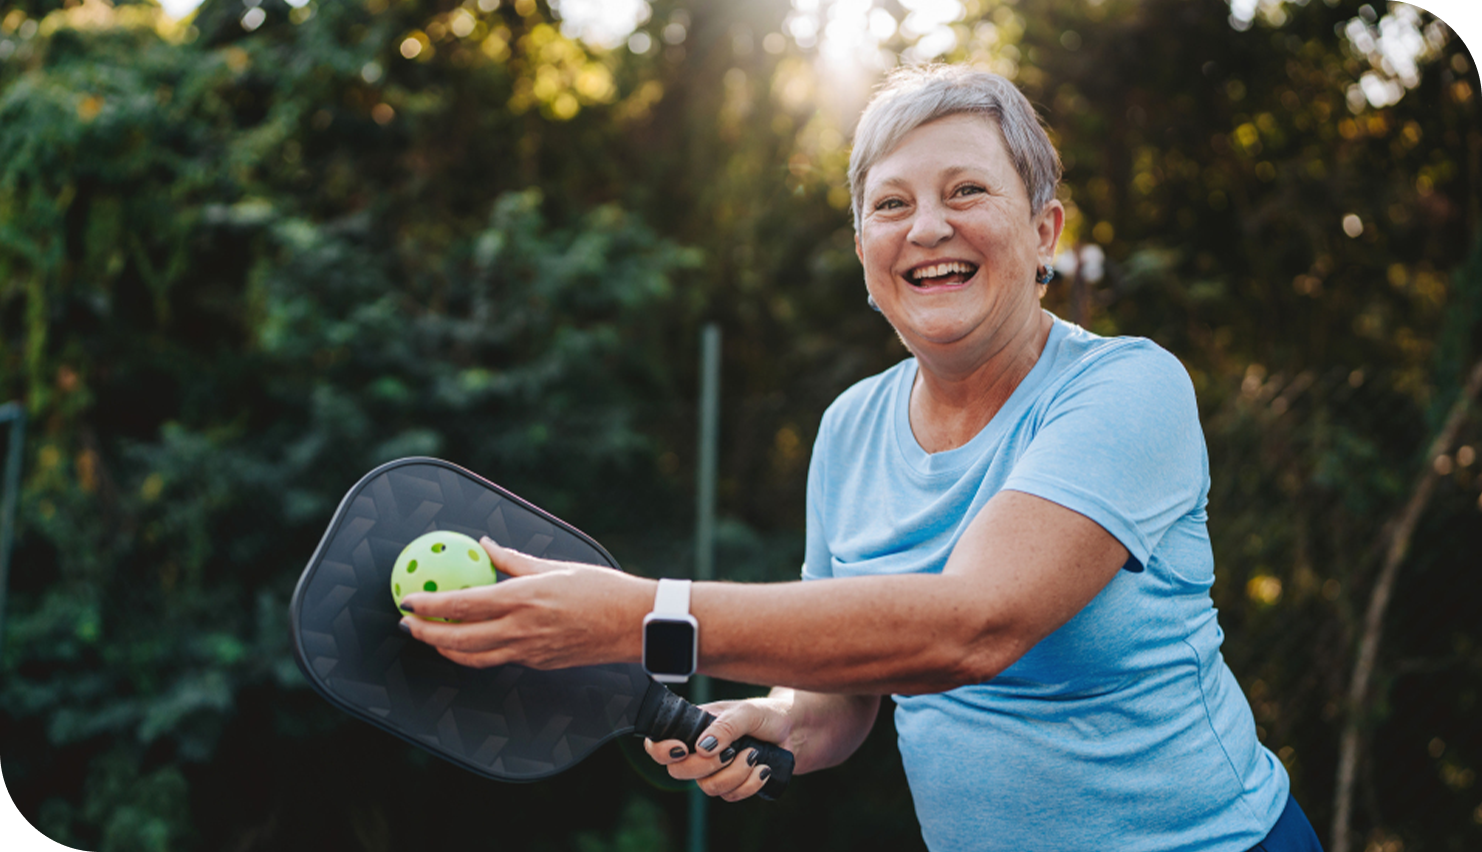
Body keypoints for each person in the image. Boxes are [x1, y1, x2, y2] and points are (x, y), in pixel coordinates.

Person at [397, 64, 1323, 851]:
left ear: (1045, 232)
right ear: (864, 254)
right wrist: (778, 720)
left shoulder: (1127, 391)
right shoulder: (848, 428)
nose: (926, 228)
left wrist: (642, 616)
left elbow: (972, 627)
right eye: (892, 205)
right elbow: (843, 699)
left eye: (966, 191)